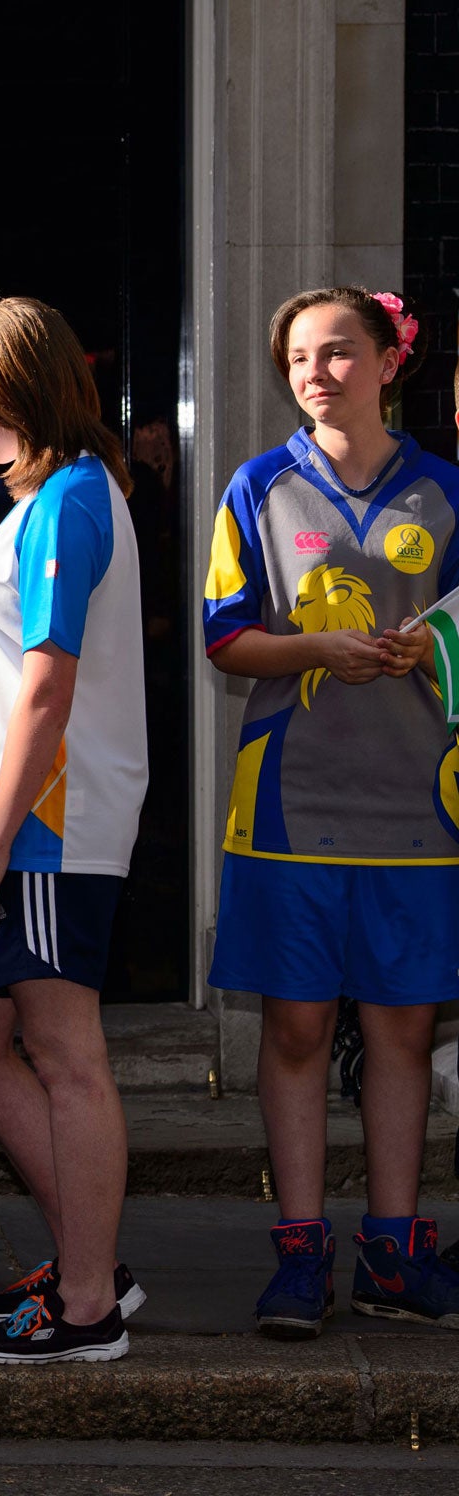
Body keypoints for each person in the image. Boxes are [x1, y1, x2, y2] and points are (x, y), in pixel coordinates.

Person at [202, 286, 459, 1339]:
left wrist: (428, 643)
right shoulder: (256, 486)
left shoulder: (445, 490)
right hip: (287, 808)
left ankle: (392, 1252)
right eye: (299, 357)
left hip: (418, 810)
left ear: (388, 361)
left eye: (338, 352)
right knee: (297, 1025)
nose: (315, 372)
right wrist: (316, 649)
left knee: (400, 1030)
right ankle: (298, 1250)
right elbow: (225, 639)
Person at [0, 298, 148, 1365]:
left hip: (51, 830)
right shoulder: (47, 500)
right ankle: (88, 1259)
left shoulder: (67, 499)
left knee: (63, 1055)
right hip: (15, 827)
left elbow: (45, 692)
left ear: (13, 388)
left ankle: (89, 1302)